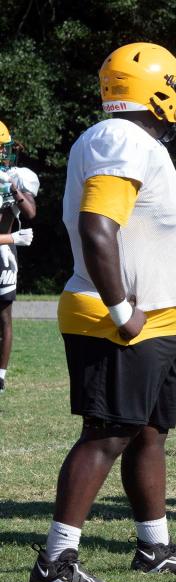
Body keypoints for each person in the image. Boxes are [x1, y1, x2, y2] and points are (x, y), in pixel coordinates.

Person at [30, 42, 176, 582]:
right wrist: (121, 308)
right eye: (173, 86)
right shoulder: (120, 137)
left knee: (146, 433)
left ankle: (154, 548)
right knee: (107, 433)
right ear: (156, 87)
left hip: (155, 321)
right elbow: (96, 227)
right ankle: (57, 561)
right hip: (120, 320)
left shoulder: (130, 140)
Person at [0, 120, 39, 394]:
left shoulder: (17, 177)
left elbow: (31, 213)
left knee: (3, 317)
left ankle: (0, 376)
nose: (4, 153)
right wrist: (13, 239)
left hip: (4, 260)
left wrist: (13, 189)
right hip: (7, 245)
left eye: (4, 148)